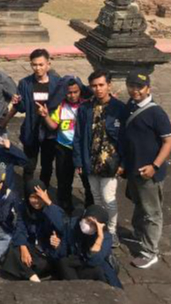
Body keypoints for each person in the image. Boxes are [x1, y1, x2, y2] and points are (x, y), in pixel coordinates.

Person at [119, 73, 171, 269]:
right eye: (131, 85)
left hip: (149, 171)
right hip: (134, 169)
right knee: (139, 204)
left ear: (148, 88)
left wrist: (155, 166)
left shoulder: (156, 113)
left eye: (139, 87)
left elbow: (169, 141)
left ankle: (150, 251)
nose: (135, 90)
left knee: (152, 212)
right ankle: (138, 234)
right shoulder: (130, 106)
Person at [74, 70, 125, 235]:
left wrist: (123, 164)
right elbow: (78, 136)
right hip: (91, 160)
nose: (98, 89)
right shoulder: (85, 108)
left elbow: (126, 140)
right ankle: (99, 229)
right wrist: (79, 161)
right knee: (96, 198)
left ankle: (111, 232)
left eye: (101, 85)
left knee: (109, 199)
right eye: (94, 86)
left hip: (110, 162)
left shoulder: (119, 109)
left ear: (109, 85)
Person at [7, 49, 63, 190]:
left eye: (41, 64)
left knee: (47, 165)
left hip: (49, 131)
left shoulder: (57, 83)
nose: (38, 68)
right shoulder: (25, 83)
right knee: (29, 165)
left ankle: (43, 192)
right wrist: (17, 102)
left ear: (48, 64)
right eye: (34, 65)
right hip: (31, 130)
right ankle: (28, 193)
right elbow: (23, 108)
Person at [41, 77, 91, 212]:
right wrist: (45, 116)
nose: (72, 95)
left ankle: (90, 208)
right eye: (69, 92)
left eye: (76, 92)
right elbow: (53, 126)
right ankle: (65, 207)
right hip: (63, 148)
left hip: (82, 149)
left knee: (87, 181)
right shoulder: (61, 106)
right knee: (63, 180)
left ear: (80, 91)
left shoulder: (86, 105)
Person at [0, 181, 66, 282]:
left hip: (48, 251)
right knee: (13, 250)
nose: (36, 201)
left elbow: (62, 225)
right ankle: (32, 276)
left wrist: (48, 202)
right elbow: (20, 228)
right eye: (33, 197)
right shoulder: (24, 208)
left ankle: (26, 272)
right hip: (34, 248)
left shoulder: (52, 208)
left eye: (39, 197)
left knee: (43, 263)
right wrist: (23, 247)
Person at [55, 205, 122, 288]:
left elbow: (94, 261)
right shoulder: (72, 225)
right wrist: (57, 245)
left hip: (94, 267)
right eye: (88, 220)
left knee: (99, 271)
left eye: (93, 224)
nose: (89, 225)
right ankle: (76, 288)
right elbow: (62, 252)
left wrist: (99, 238)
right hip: (77, 261)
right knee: (63, 262)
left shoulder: (106, 237)